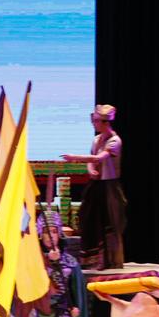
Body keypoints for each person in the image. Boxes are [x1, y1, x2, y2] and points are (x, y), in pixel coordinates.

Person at [62, 104, 126, 270]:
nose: (94, 124)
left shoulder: (114, 141)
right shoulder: (97, 139)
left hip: (109, 187)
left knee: (108, 223)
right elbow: (92, 161)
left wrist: (74, 157)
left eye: (96, 121)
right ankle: (92, 260)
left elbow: (98, 158)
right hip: (96, 185)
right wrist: (91, 170)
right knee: (89, 219)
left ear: (105, 122)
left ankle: (109, 261)